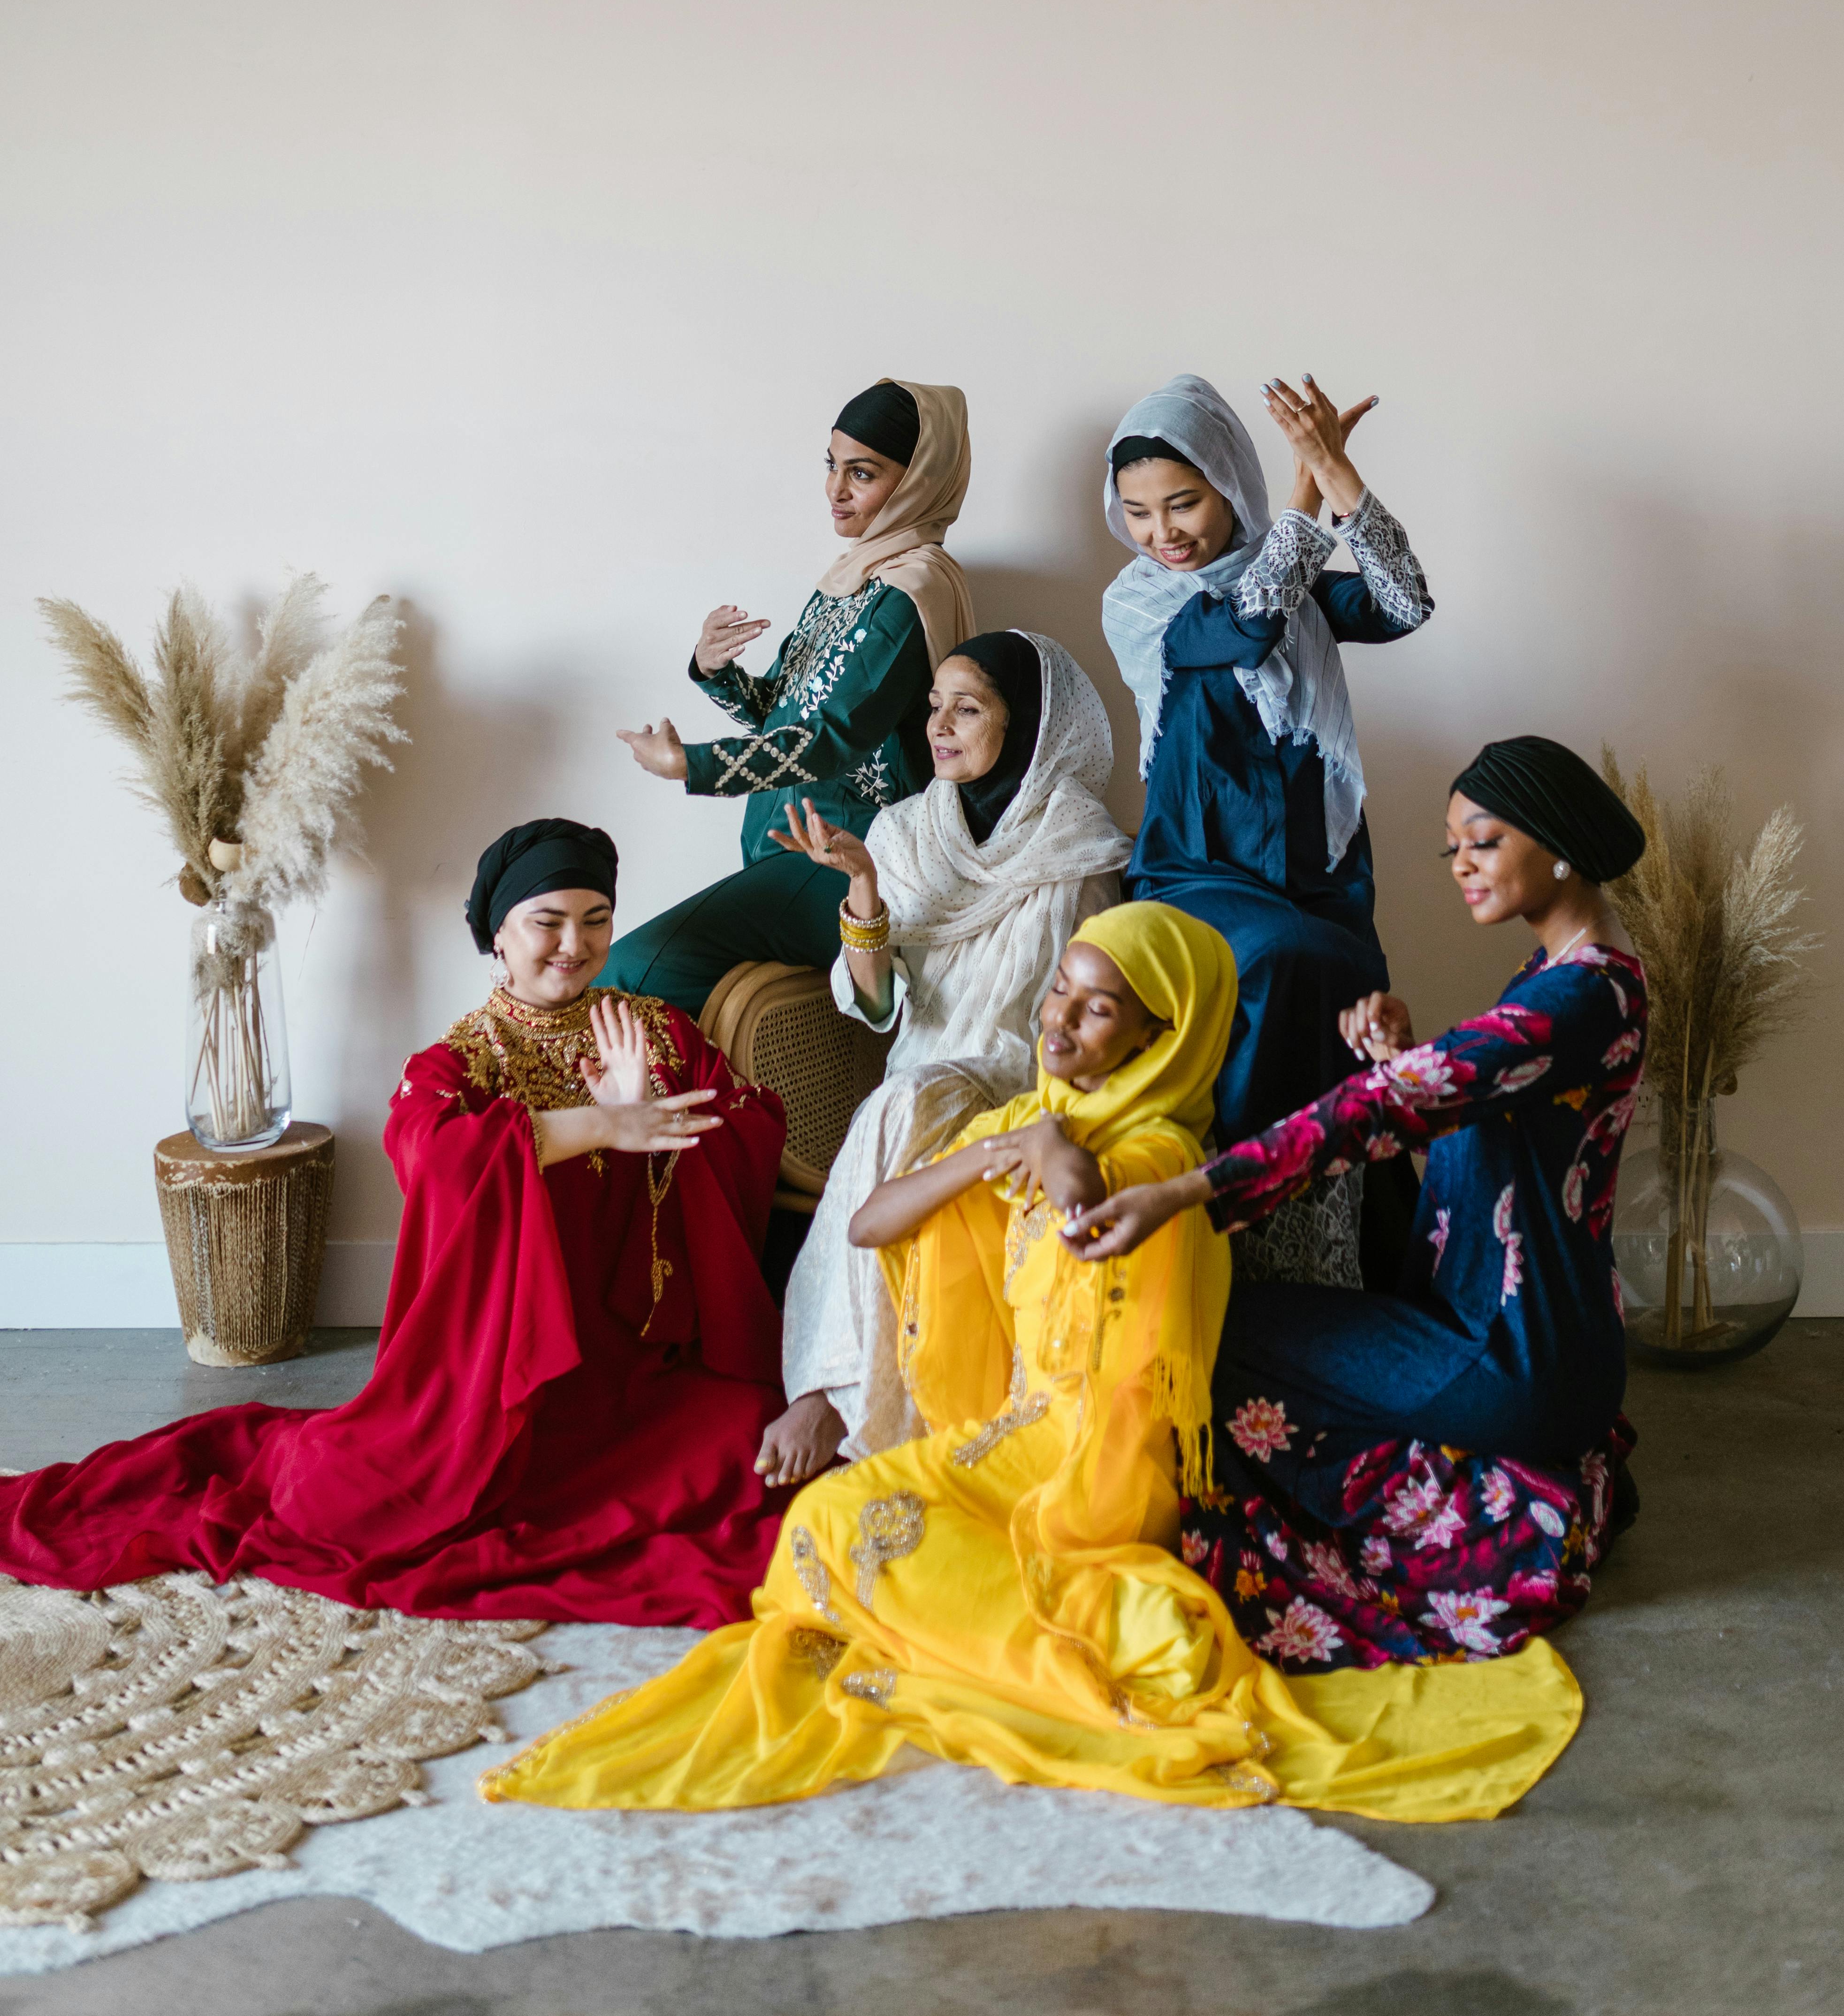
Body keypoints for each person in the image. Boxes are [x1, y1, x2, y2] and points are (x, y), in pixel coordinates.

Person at [481, 904, 1582, 1829]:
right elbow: (870, 1222)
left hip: (1097, 1475)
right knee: (822, 1525)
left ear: (1163, 1032)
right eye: (1060, 988)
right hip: (1007, 1438)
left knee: (866, 1541)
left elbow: (1099, 1275)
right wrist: (1011, 1144)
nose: (1058, 1017)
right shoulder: (1039, 1119)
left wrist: (1056, 1165)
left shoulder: (1154, 1159)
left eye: (1098, 1006)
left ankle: (1026, 1651)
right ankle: (974, 1622)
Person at [0, 820, 795, 1626]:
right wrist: (604, 1125)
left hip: (632, 1364)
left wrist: (652, 1121)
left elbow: (747, 1128)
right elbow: (430, 1154)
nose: (573, 944)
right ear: (498, 934)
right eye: (546, 922)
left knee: (744, 1440)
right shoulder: (456, 1065)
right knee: (351, 1504)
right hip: (502, 1382)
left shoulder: (652, 1033)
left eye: (595, 920)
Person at [1069, 738, 1648, 1672]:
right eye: (1451, 847)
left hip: (1509, 1352)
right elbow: (1480, 1136)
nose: (1461, 863)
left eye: (1484, 841)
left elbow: (1381, 1115)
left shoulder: (1580, 997)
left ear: (1559, 846)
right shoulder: (1571, 980)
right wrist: (1404, 1059)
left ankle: (1339, 1550)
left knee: (1214, 1332)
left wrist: (1188, 1192)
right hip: (1527, 1332)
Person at [754, 631, 1131, 1483]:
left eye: (969, 708)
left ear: (1029, 724)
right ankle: (841, 1391)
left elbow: (1088, 1009)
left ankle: (836, 1399)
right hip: (922, 1079)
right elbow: (879, 1006)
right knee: (907, 1098)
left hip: (1023, 1085)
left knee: (904, 1105)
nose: (940, 727)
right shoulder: (902, 832)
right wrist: (862, 890)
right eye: (934, 708)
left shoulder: (1080, 843)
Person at [1104, 369, 1432, 1286]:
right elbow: (1246, 625)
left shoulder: (1293, 579)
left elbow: (1406, 602)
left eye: (1184, 502)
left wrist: (1339, 475)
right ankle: (1234, 1227)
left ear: (1228, 488)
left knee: (1352, 983)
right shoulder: (1141, 602)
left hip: (1315, 868)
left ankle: (1343, 1266)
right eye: (1138, 511)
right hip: (1198, 870)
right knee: (1291, 960)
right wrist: (1303, 489)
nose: (1162, 532)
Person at [603, 379, 975, 1020]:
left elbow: (830, 742)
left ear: (919, 479)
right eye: (831, 466)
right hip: (792, 848)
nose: (835, 490)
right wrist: (715, 670)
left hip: (849, 853)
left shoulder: (906, 596)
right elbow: (781, 712)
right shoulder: (857, 577)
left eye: (862, 473)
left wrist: (690, 764)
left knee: (629, 976)